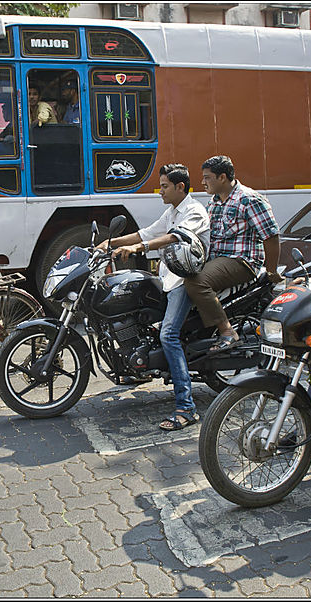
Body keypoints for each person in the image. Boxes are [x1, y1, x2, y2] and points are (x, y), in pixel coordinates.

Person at [97, 164, 209, 431]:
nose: (161, 191)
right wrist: (110, 243)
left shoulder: (194, 211)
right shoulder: (171, 212)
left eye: (165, 186)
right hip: (168, 278)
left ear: (180, 187)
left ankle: (186, 408)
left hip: (185, 280)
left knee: (168, 334)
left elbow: (175, 237)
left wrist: (140, 247)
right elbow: (145, 232)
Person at [184, 155, 283, 352]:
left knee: (197, 282)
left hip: (242, 261)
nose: (203, 182)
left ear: (222, 177)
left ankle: (227, 331)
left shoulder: (248, 199)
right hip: (216, 259)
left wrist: (271, 272)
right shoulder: (214, 202)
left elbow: (271, 236)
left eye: (207, 177)